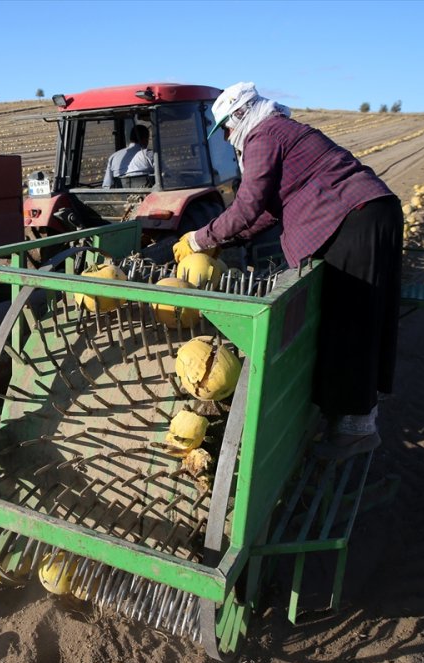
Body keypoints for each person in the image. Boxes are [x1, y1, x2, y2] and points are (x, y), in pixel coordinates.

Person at [172, 82, 403, 459]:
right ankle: (346, 420)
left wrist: (200, 239)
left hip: (356, 218)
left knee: (352, 321)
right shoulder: (277, 132)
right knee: (353, 318)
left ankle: (356, 431)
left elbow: (247, 205)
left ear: (241, 115)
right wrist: (221, 240)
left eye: (227, 128)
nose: (228, 137)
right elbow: (263, 212)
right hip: (365, 215)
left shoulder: (264, 134)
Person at [102, 124, 154, 188]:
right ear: (145, 139)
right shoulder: (149, 154)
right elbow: (165, 177)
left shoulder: (113, 157)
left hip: (121, 197)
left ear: (130, 138)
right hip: (146, 196)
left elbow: (107, 185)